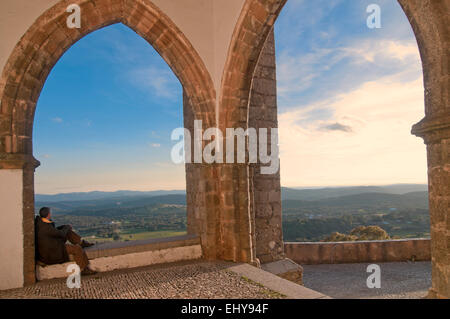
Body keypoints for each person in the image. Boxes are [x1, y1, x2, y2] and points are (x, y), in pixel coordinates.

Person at [35, 207, 97, 275]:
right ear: (48, 214)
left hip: (52, 245)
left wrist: (65, 227)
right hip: (53, 251)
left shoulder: (41, 222)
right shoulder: (46, 227)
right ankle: (84, 269)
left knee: (68, 232)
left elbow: (55, 231)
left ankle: (82, 243)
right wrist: (67, 227)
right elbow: (60, 234)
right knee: (77, 249)